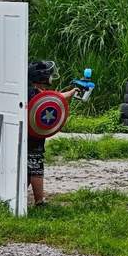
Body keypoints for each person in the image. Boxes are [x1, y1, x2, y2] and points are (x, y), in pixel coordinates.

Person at [27, 60, 78, 206]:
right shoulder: (34, 93)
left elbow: (51, 98)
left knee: (27, 169)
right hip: (33, 137)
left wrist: (71, 92)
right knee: (35, 167)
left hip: (26, 135)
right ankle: (39, 202)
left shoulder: (28, 90)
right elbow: (50, 100)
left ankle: (14, 196)